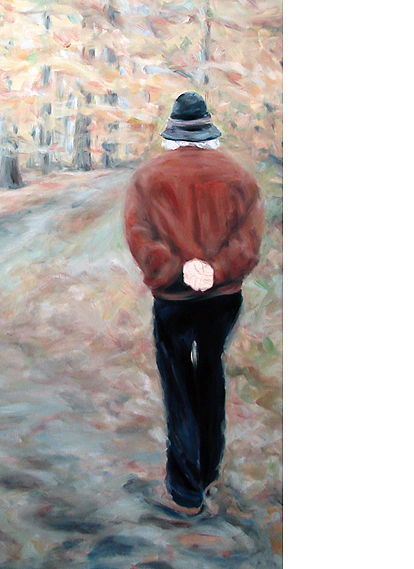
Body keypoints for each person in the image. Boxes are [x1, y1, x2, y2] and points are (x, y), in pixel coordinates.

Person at [124, 92, 265, 515]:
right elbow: (248, 242)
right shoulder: (240, 178)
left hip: (172, 299)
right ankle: (209, 472)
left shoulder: (147, 178)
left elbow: (139, 235)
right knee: (211, 371)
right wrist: (215, 271)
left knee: (178, 383)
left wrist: (176, 269)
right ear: (208, 131)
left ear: (172, 133)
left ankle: (186, 490)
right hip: (222, 299)